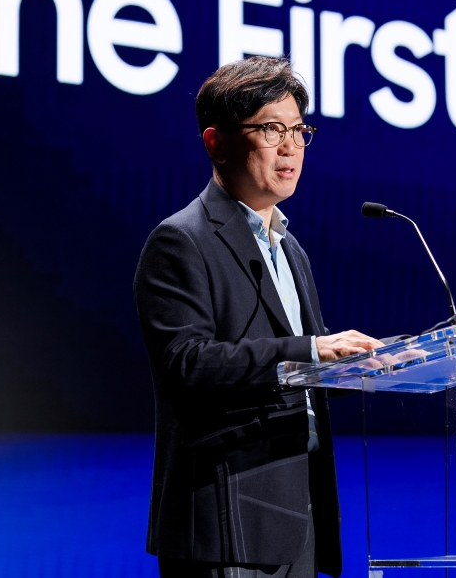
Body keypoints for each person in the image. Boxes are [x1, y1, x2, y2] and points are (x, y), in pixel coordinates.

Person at [134, 56, 384, 578]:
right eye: (272, 129)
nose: (291, 146)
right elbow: (188, 364)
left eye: (299, 131)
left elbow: (304, 370)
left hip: (298, 512)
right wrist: (312, 350)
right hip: (226, 518)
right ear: (216, 142)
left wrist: (376, 364)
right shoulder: (180, 241)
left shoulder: (291, 249)